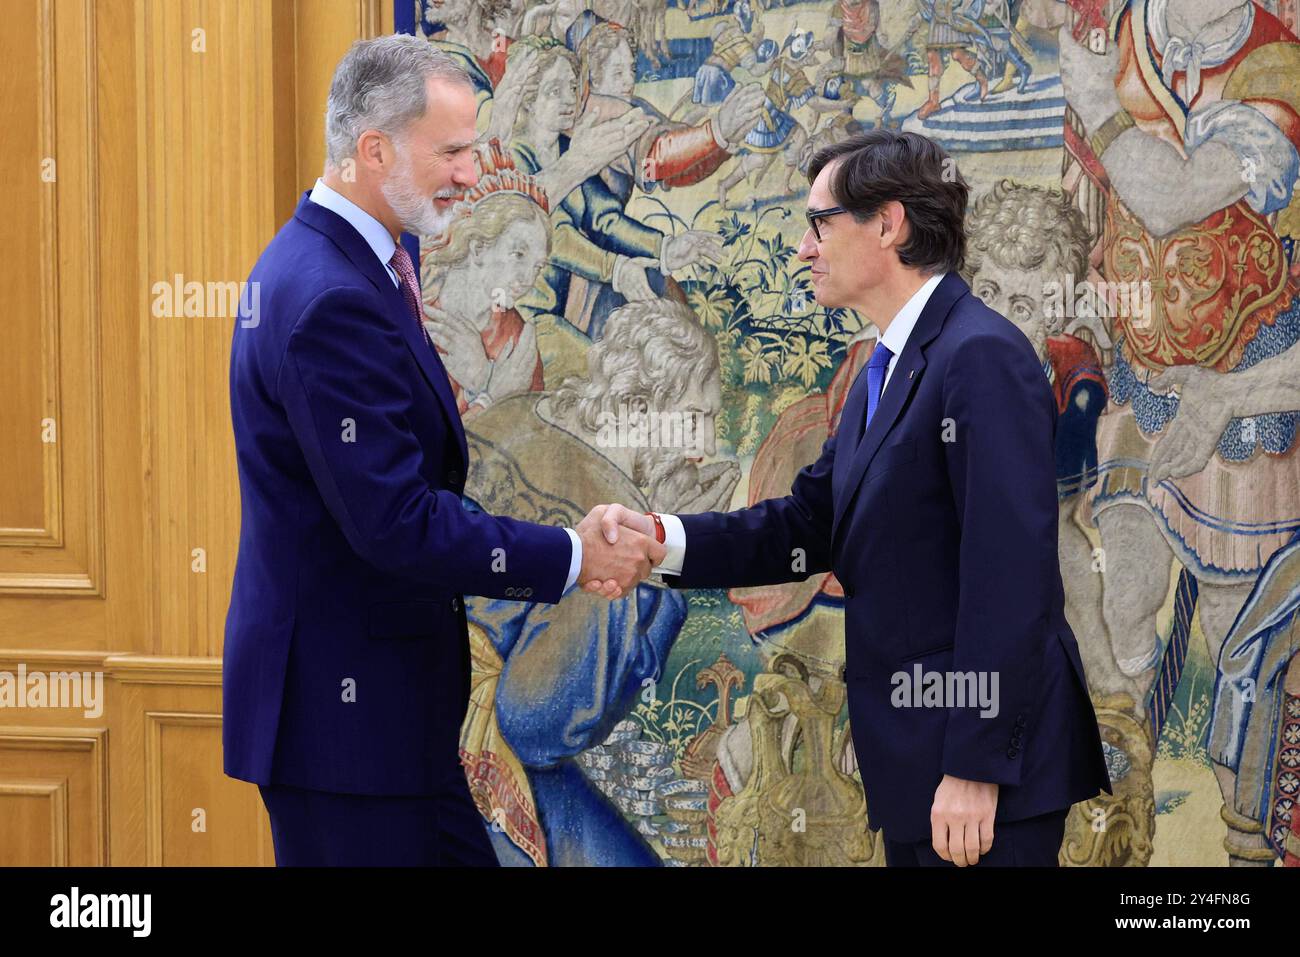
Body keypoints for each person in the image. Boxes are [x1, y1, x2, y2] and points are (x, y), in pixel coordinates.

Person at [591, 129, 1113, 867]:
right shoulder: (888, 368)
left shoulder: (979, 355)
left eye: (820, 223)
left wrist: (974, 765)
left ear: (888, 224)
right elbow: (808, 525)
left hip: (981, 779)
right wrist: (658, 539)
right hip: (919, 769)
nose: (805, 247)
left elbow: (1010, 576)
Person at [223, 34, 664, 866]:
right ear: (374, 148)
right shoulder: (328, 298)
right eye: (454, 150)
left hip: (389, 721)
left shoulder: (360, 264)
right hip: (346, 730)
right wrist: (573, 555)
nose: (470, 171)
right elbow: (397, 524)